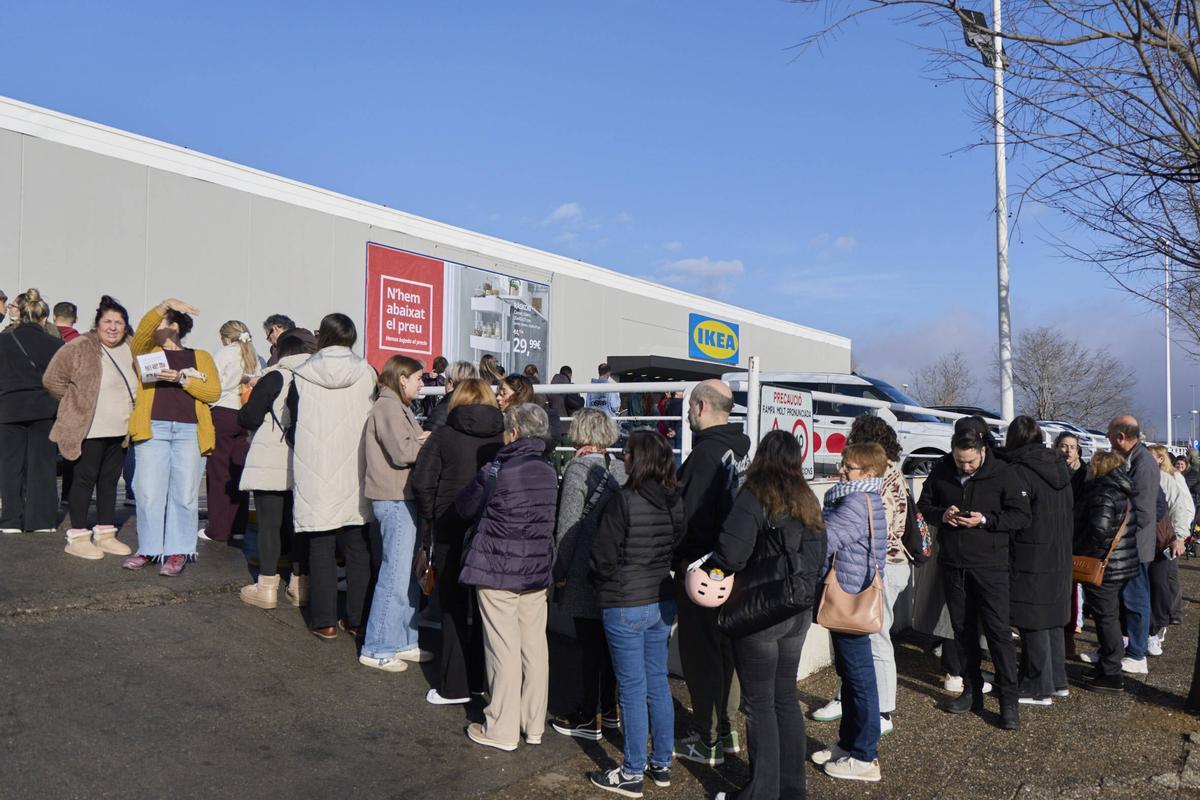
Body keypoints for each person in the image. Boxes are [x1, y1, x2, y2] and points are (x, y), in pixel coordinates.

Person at [707, 430, 826, 800]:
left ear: (762, 456)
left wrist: (706, 572)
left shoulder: (754, 494)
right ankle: (791, 790)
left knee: (759, 704)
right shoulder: (808, 500)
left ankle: (761, 793)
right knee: (785, 698)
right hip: (797, 610)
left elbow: (731, 555)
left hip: (760, 612)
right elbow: (818, 552)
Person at [587, 429, 685, 797]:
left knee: (631, 688)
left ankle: (631, 770)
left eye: (627, 453)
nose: (623, 457)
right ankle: (661, 762)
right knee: (656, 683)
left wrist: (603, 582)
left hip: (625, 600)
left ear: (638, 459)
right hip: (660, 597)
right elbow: (678, 543)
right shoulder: (675, 500)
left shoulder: (623, 500)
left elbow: (602, 556)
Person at [456, 403, 558, 751]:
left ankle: (501, 729)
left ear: (513, 433)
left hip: (497, 569)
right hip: (536, 571)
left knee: (503, 649)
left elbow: (465, 508)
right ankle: (533, 724)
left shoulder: (497, 470)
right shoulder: (548, 470)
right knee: (534, 647)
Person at [918, 416, 1030, 730]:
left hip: (990, 565)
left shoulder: (1004, 473)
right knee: (962, 631)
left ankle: (1009, 702)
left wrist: (985, 520)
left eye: (969, 462)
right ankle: (972, 690)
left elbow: (1021, 515)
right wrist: (945, 514)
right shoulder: (942, 468)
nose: (964, 467)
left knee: (997, 634)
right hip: (954, 564)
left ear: (982, 451)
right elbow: (924, 505)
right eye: (959, 461)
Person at [812, 414, 910, 735]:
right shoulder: (887, 475)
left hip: (879, 567)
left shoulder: (876, 482)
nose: (843, 465)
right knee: (860, 640)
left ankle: (882, 711)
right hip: (877, 564)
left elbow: (873, 525)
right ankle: (850, 700)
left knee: (875, 639)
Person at [411, 378, 504, 704]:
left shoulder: (444, 434)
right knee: (484, 606)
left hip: (450, 523)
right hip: (489, 526)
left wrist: (431, 515)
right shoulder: (502, 434)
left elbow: (422, 481)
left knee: (451, 605)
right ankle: (480, 679)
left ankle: (454, 687)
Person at [674, 379, 750, 765]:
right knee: (725, 653)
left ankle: (707, 738)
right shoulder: (742, 452)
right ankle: (726, 730)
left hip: (702, 573)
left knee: (701, 654)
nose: (688, 414)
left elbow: (685, 518)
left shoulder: (704, 457)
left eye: (689, 407)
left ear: (702, 407)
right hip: (735, 569)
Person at [290, 314, 376, 639]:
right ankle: (357, 619)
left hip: (316, 466)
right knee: (357, 545)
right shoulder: (368, 372)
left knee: (321, 543)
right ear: (352, 337)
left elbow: (292, 420)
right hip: (356, 466)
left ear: (322, 335)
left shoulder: (302, 373)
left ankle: (324, 621)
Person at [122, 298, 220, 576]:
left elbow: (212, 392)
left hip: (190, 432)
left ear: (175, 327)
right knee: (148, 493)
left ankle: (178, 551)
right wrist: (163, 306)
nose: (156, 326)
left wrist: (182, 379)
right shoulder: (147, 353)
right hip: (154, 429)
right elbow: (140, 333)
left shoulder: (200, 357)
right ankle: (149, 549)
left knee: (185, 496)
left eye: (163, 322)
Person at [809, 442, 888, 782]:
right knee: (852, 676)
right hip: (851, 594)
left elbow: (825, 541)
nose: (842, 470)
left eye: (850, 467)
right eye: (844, 464)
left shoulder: (856, 501)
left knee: (859, 679)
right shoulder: (861, 496)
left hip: (850, 599)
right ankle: (849, 744)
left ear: (869, 473)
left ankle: (865, 757)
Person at [549, 408, 626, 741]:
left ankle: (586, 716)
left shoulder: (578, 469)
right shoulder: (620, 467)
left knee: (585, 647)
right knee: (609, 645)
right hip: (612, 569)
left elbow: (567, 527)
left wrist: (560, 572)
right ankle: (610, 710)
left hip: (582, 569)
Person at [43, 296, 138, 558]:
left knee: (109, 482)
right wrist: (76, 403)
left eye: (119, 322)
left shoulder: (131, 347)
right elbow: (52, 380)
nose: (113, 327)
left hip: (120, 429)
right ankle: (78, 535)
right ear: (97, 323)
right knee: (84, 481)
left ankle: (105, 533)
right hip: (89, 428)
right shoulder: (79, 346)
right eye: (107, 321)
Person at [359, 355, 432, 671]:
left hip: (399, 497)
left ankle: (402, 640)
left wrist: (421, 439)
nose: (422, 383)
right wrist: (428, 442)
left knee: (406, 575)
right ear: (402, 378)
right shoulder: (389, 407)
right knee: (395, 575)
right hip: (394, 498)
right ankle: (376, 647)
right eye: (418, 378)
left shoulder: (393, 406)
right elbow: (403, 451)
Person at [237, 333, 315, 608]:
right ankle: (299, 585)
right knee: (299, 526)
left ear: (280, 352)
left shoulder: (276, 376)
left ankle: (266, 587)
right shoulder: (314, 376)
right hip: (307, 459)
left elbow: (250, 416)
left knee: (269, 525)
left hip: (273, 457)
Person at [1000, 417, 1073, 705]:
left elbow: (1018, 515)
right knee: (1052, 617)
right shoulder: (1059, 467)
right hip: (1059, 548)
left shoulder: (1019, 471)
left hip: (1031, 550)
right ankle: (1057, 680)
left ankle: (1036, 686)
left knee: (1032, 619)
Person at [1096, 416, 1159, 675]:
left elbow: (1143, 511)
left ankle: (1136, 653)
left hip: (1134, 546)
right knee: (1124, 600)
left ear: (1121, 436)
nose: (1108, 438)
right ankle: (1122, 647)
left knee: (1136, 599)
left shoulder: (1143, 463)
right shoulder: (1136, 459)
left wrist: (1117, 535)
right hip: (1127, 545)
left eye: (1110, 434)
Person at [1073, 450, 1138, 693]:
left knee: (1106, 618)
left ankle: (1111, 672)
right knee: (1109, 615)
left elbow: (1098, 529)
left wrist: (1079, 550)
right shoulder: (1122, 490)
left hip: (1104, 565)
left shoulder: (1103, 492)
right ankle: (1107, 667)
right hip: (1121, 563)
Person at [0, 288, 63, 533]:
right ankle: (42, 520)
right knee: (43, 465)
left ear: (20, 315)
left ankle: (11, 520)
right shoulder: (56, 343)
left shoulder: (3, 341)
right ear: (43, 317)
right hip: (43, 408)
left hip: (8, 408)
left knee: (10, 465)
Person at [203, 320, 260, 542]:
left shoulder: (225, 352)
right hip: (244, 415)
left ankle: (217, 529)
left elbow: (214, 384)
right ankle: (238, 527)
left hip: (223, 413)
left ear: (226, 337)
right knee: (238, 472)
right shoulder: (253, 354)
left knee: (218, 473)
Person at [1145, 445, 1191, 657]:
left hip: (1164, 540)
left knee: (1161, 586)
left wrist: (1179, 537)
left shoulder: (1168, 479)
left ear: (1161, 460)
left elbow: (1180, 507)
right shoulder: (1138, 476)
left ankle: (1156, 631)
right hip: (1142, 541)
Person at [422, 360, 478, 432]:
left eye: (445, 379)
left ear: (450, 383)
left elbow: (428, 438)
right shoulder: (483, 408)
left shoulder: (444, 410)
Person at [548, 365, 584, 430]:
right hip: (567, 425)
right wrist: (582, 400)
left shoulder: (549, 387)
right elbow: (577, 404)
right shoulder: (570, 387)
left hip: (552, 424)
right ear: (569, 374)